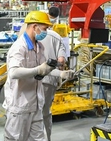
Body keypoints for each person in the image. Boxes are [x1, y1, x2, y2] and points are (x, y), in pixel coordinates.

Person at [3, 11, 56, 141]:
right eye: (44, 28)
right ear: (34, 27)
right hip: (19, 106)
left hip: (36, 104)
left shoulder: (40, 47)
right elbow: (13, 72)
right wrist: (38, 69)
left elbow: (43, 70)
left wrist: (61, 73)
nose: (46, 32)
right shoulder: (19, 47)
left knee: (39, 139)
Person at [40, 8, 68, 141]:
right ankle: (47, 138)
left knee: (34, 113)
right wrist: (60, 72)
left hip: (33, 80)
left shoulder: (30, 36)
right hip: (49, 80)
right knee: (45, 112)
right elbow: (62, 60)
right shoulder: (57, 36)